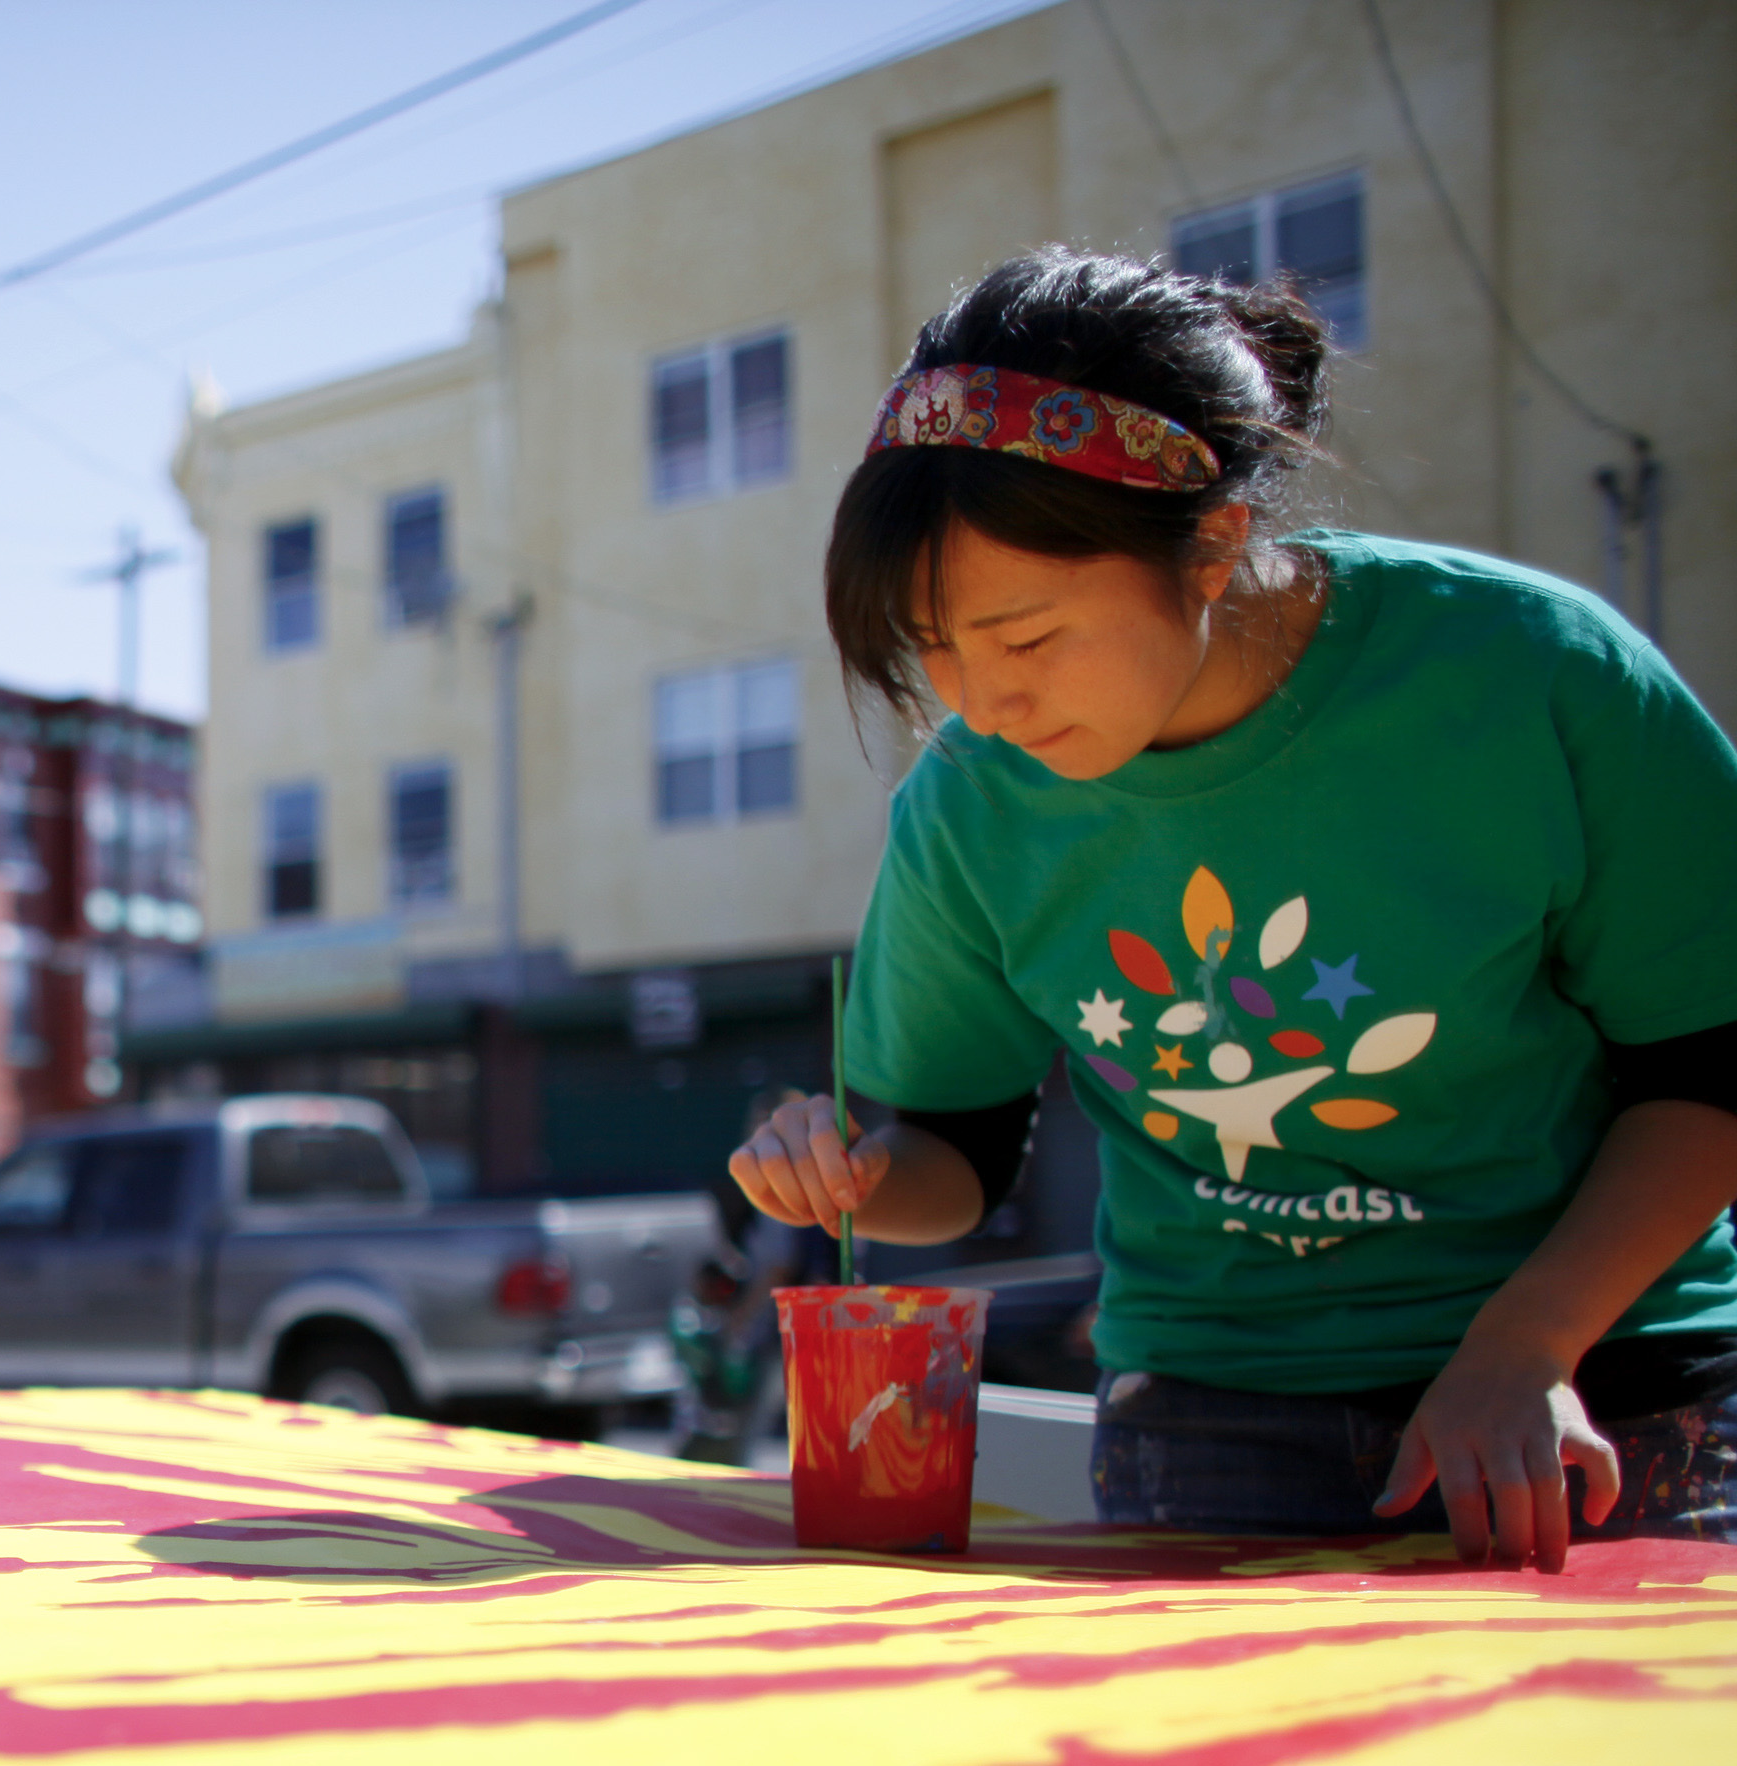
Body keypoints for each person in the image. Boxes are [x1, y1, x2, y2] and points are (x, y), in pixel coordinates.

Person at [733, 249, 1737, 1568]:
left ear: (1211, 542)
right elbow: (955, 1163)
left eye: (1027, 637)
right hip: (1219, 1417)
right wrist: (850, 1174)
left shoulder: (1539, 677)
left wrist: (1527, 1341)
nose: (982, 702)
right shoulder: (970, 804)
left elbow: (1708, 1068)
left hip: (1605, 1382)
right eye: (935, 649)